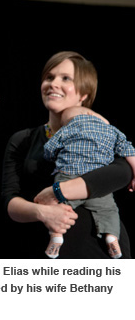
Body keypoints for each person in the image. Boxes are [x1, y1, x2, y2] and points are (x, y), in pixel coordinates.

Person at [1, 51, 133, 259]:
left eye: (65, 79)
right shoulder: (23, 139)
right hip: (43, 252)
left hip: (97, 251)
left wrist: (57, 191)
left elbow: (121, 173)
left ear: (84, 94)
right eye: (49, 77)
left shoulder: (101, 131)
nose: (53, 84)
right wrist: (42, 212)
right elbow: (10, 201)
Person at [43, 106, 135, 258]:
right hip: (98, 182)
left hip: (68, 178)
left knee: (58, 210)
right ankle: (111, 237)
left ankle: (56, 236)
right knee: (108, 211)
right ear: (90, 113)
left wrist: (53, 157)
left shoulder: (67, 129)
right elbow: (129, 151)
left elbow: (49, 149)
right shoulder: (112, 130)